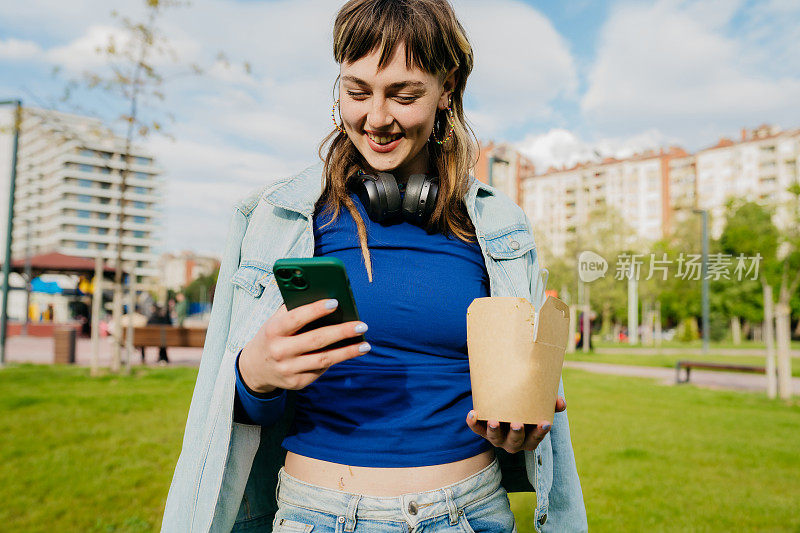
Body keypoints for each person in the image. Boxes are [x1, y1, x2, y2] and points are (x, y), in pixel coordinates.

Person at [162, 1, 586, 532]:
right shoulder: (274, 217)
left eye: (404, 95)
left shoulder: (499, 226)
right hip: (317, 514)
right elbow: (227, 415)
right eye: (356, 92)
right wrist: (256, 375)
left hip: (471, 513)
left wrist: (519, 422)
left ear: (447, 87)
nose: (376, 118)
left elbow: (520, 395)